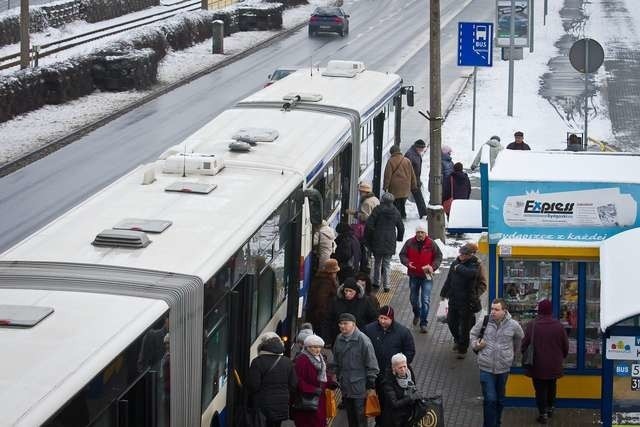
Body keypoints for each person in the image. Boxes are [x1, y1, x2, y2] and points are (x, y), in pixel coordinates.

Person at [471, 299, 524, 427]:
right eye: (492, 309)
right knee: (490, 399)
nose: (493, 312)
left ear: (504, 311)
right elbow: (473, 334)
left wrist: (511, 355)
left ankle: (496, 423)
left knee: (500, 400)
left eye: (496, 309)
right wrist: (476, 345)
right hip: (486, 367)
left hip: (503, 368)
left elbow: (520, 339)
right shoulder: (484, 321)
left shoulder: (513, 325)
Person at [364, 306, 416, 426]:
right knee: (378, 401)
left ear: (392, 319)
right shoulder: (369, 329)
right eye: (381, 318)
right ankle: (380, 422)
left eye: (385, 318)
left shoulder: (403, 332)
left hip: (392, 377)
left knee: (390, 403)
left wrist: (400, 366)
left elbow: (410, 352)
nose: (382, 321)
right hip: (374, 375)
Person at [521, 299, 569, 424]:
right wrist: (561, 357)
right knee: (552, 386)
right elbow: (565, 346)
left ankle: (543, 414)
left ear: (539, 310)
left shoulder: (533, 325)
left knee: (540, 390)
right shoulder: (558, 326)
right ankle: (550, 408)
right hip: (554, 364)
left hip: (537, 364)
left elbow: (525, 344)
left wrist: (523, 353)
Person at [333, 312, 380, 427]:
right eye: (340, 324)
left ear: (353, 325)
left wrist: (370, 383)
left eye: (345, 323)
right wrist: (338, 376)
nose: (342, 326)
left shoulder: (363, 341)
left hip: (359, 387)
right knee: (351, 416)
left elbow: (372, 364)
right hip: (345, 386)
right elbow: (336, 361)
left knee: (360, 418)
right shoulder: (339, 339)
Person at [440, 242, 485, 358]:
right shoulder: (455, 263)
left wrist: (476, 294)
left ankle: (462, 348)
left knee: (465, 327)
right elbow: (449, 279)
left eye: (464, 254)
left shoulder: (476, 265)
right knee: (451, 322)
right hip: (454, 299)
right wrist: (443, 293)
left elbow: (479, 281)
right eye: (461, 253)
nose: (461, 256)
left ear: (470, 255)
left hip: (467, 302)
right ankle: (458, 339)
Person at [398, 223, 443, 333]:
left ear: (425, 233)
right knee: (413, 299)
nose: (420, 234)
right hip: (414, 275)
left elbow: (438, 256)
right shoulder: (409, 243)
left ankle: (424, 323)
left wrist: (433, 267)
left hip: (427, 276)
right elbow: (402, 255)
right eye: (418, 232)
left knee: (425, 299)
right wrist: (408, 263)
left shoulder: (431, 244)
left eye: (422, 232)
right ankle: (417, 314)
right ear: (415, 233)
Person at [247, 332, 298, 427]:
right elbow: (293, 384)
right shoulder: (287, 362)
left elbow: (253, 385)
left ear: (262, 347)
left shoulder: (257, 362)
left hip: (263, 404)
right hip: (282, 403)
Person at [365, 192, 404, 292]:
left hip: (378, 239)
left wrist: (371, 235)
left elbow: (369, 224)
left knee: (377, 263)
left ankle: (376, 283)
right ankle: (387, 286)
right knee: (387, 264)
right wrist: (399, 238)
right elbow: (401, 227)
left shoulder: (377, 210)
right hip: (390, 240)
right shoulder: (395, 211)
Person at [292, 334, 329, 427]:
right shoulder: (302, 360)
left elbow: (322, 376)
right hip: (306, 400)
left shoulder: (320, 358)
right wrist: (311, 389)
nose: (318, 350)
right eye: (314, 347)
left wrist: (330, 382)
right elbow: (297, 380)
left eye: (320, 347)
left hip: (318, 398)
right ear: (307, 347)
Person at [305, 259, 340, 344]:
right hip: (321, 314)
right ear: (332, 272)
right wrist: (324, 313)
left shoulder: (320, 278)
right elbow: (321, 300)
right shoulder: (326, 283)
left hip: (316, 313)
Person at [381, 353, 420, 427]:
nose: (403, 369)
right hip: (395, 419)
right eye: (400, 367)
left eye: (404, 366)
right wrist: (411, 397)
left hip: (409, 416)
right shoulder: (388, 382)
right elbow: (394, 403)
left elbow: (413, 387)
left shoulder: (409, 374)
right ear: (394, 368)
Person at [383, 145, 417, 219]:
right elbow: (412, 174)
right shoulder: (407, 160)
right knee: (402, 203)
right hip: (406, 187)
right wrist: (414, 185)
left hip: (395, 187)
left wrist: (385, 186)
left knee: (396, 203)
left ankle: (397, 218)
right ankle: (403, 215)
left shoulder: (391, 161)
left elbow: (387, 175)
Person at [404, 139, 428, 218]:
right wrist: (412, 180)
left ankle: (424, 213)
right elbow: (408, 168)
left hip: (414, 179)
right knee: (404, 197)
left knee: (417, 197)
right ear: (418, 147)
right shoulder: (410, 154)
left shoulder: (415, 153)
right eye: (422, 148)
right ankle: (424, 213)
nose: (423, 150)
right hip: (411, 180)